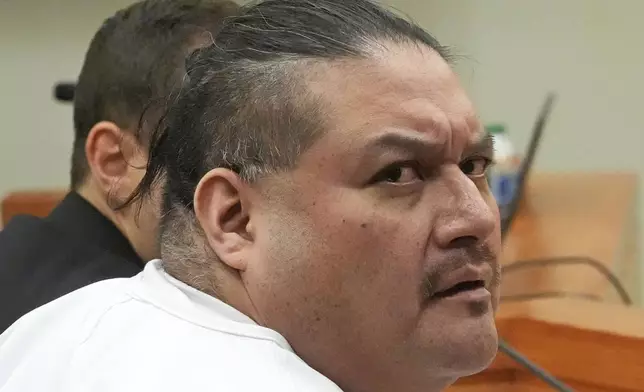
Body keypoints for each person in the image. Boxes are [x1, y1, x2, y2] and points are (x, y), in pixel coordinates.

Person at [0, 0, 502, 391]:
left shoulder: (50, 330)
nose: (475, 216)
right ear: (234, 218)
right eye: (398, 173)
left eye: (474, 166)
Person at [0, 0, 239, 332]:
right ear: (115, 161)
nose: (242, 205)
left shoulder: (16, 253)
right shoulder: (132, 329)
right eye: (224, 163)